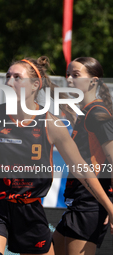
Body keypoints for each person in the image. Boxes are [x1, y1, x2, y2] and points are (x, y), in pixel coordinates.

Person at [0, 57, 113, 255]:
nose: (9, 82)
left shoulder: (52, 124)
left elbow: (82, 168)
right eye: (8, 76)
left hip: (31, 210)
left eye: (17, 77)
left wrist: (110, 207)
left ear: (35, 85)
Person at [53, 57, 113, 255]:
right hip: (79, 201)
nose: (69, 79)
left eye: (76, 75)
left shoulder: (98, 114)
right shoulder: (84, 112)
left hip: (91, 202)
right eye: (67, 74)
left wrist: (110, 206)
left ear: (93, 81)